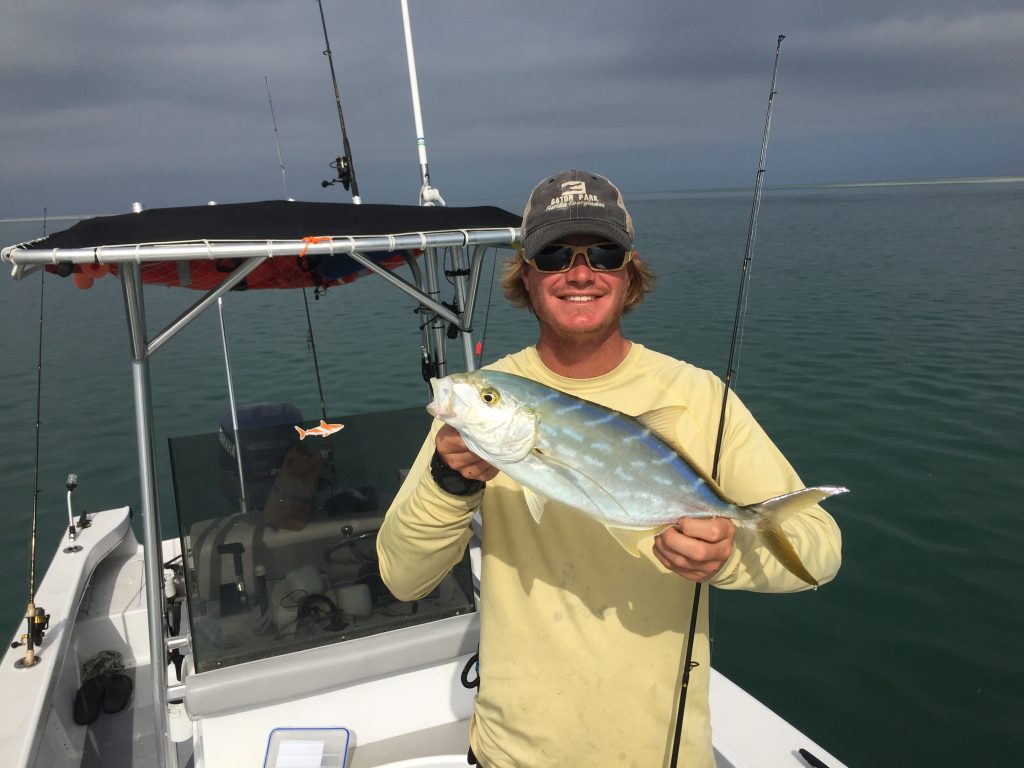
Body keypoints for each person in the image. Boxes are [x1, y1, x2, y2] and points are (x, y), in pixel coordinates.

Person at [377, 169, 842, 767]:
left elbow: (820, 550)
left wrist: (726, 559)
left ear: (629, 271)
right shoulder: (482, 402)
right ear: (525, 271)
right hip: (511, 754)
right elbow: (401, 578)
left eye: (604, 252)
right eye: (553, 255)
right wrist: (450, 483)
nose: (579, 272)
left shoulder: (697, 394)